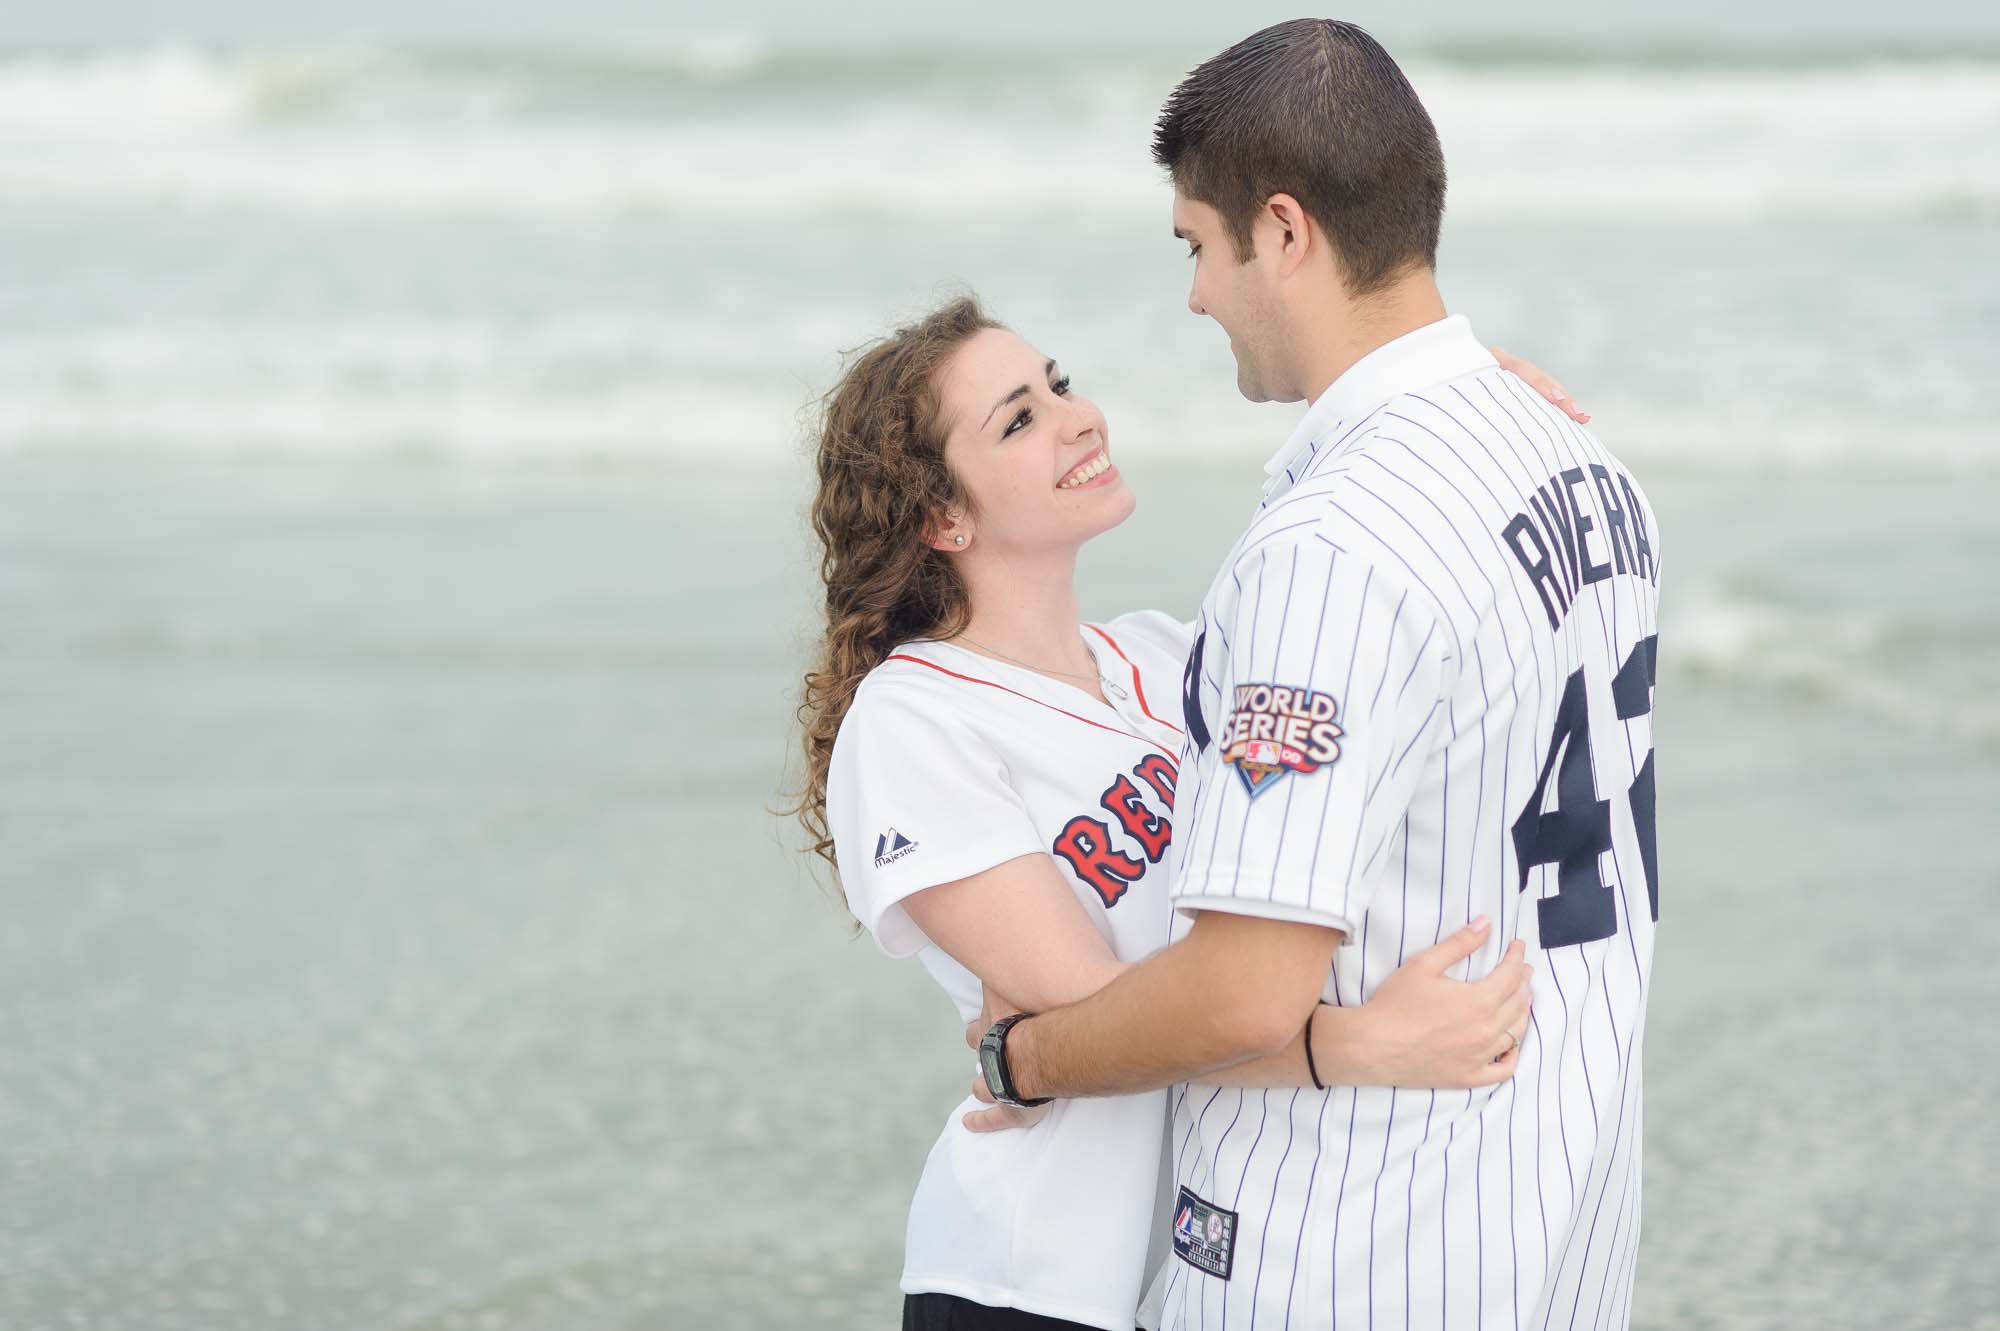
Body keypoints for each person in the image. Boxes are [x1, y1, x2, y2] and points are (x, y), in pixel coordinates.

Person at [966, 20, 1662, 1331]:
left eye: (1195, 244)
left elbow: (1243, 986)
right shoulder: (1586, 467)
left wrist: (1027, 1051)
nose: (1193, 295)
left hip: (1351, 1249)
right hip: (1551, 1225)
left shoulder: (1338, 547)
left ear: (1282, 233)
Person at [792, 295, 1580, 1331]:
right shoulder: (913, 717)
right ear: (944, 517)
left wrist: (1465, 424)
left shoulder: (1164, 657)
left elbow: (1348, 626)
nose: (1079, 418)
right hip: (1031, 1280)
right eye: (1018, 419)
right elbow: (1112, 1010)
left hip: (1203, 1274)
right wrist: (1358, 1044)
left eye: (1059, 384)